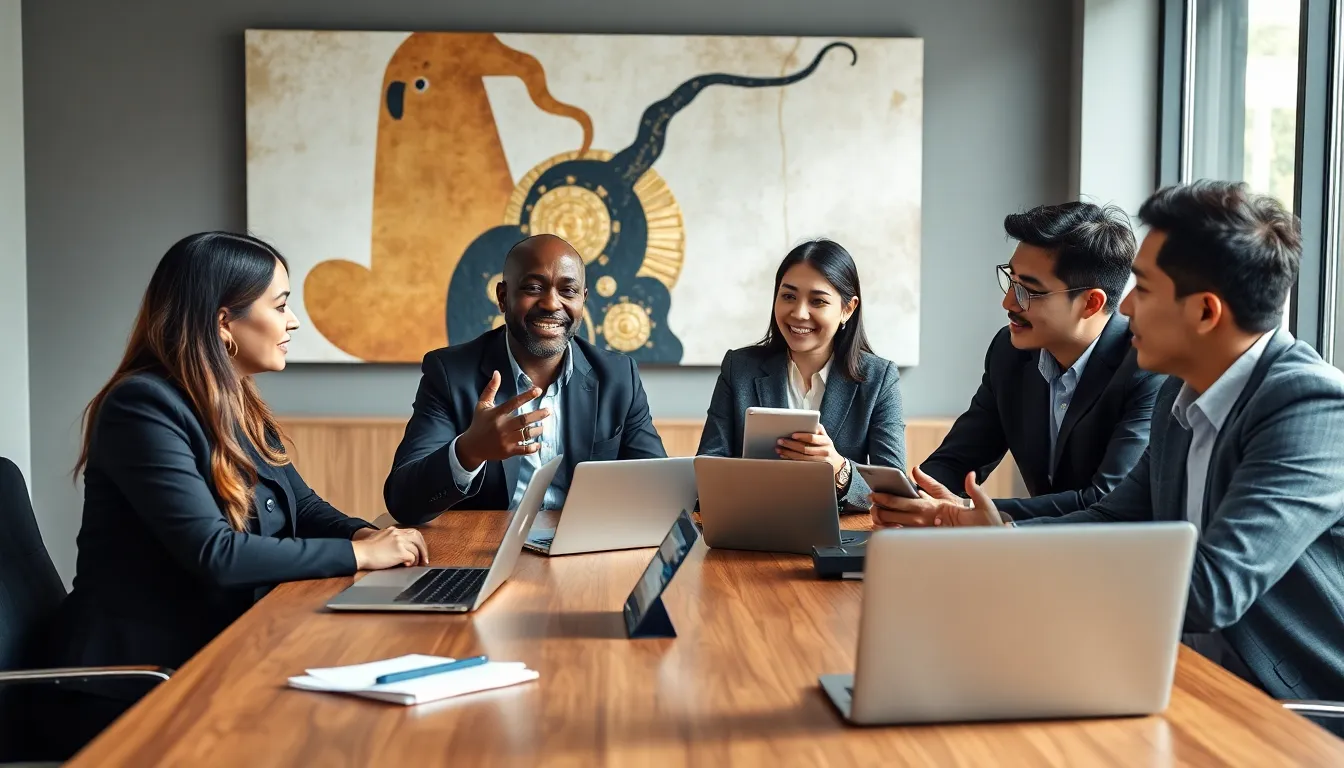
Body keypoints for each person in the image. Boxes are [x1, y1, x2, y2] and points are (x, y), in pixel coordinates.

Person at [872, 181, 1344, 704]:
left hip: (1291, 706)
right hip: (1169, 672)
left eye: (1142, 289)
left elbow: (1213, 589)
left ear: (1206, 313)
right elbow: (1113, 517)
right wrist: (991, 531)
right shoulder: (1179, 395)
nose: (1123, 311)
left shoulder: (1309, 406)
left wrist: (1006, 548)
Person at [40, 232, 428, 755]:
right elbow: (214, 553)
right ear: (224, 321)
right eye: (282, 305)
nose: (292, 323)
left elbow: (302, 504)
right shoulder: (142, 406)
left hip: (219, 644)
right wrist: (359, 554)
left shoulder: (233, 398)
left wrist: (366, 532)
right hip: (140, 680)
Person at [385, 234, 666, 524]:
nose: (550, 303)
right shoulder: (450, 373)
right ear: (503, 297)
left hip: (582, 551)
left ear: (583, 300)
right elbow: (403, 502)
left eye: (567, 291)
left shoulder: (619, 377)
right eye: (534, 288)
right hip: (485, 552)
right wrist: (469, 450)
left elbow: (660, 488)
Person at [918, 202, 1164, 520]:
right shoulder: (1009, 353)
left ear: (1091, 302)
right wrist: (913, 499)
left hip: (1114, 558)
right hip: (1035, 552)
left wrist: (965, 510)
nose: (1008, 302)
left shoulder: (1147, 367)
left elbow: (1104, 500)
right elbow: (956, 460)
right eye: (1011, 280)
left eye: (1028, 291)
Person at [696, 239, 905, 511]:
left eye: (817, 301)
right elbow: (707, 471)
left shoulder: (879, 379)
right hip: (752, 528)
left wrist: (839, 469)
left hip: (842, 536)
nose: (799, 313)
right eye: (789, 296)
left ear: (847, 309)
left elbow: (894, 494)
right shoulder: (739, 368)